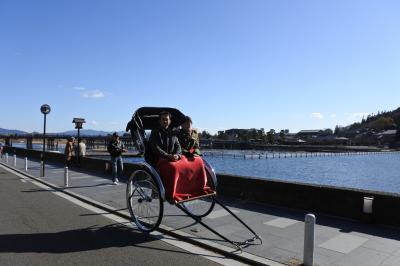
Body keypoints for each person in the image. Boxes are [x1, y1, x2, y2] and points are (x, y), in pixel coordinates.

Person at [149, 111, 209, 202]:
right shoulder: (155, 133)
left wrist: (177, 155)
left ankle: (190, 188)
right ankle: (171, 193)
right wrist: (168, 156)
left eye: (167, 119)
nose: (165, 121)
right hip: (160, 158)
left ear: (169, 121)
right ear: (160, 121)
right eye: (163, 119)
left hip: (173, 158)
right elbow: (155, 148)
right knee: (174, 168)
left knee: (188, 164)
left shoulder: (172, 133)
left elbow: (178, 146)